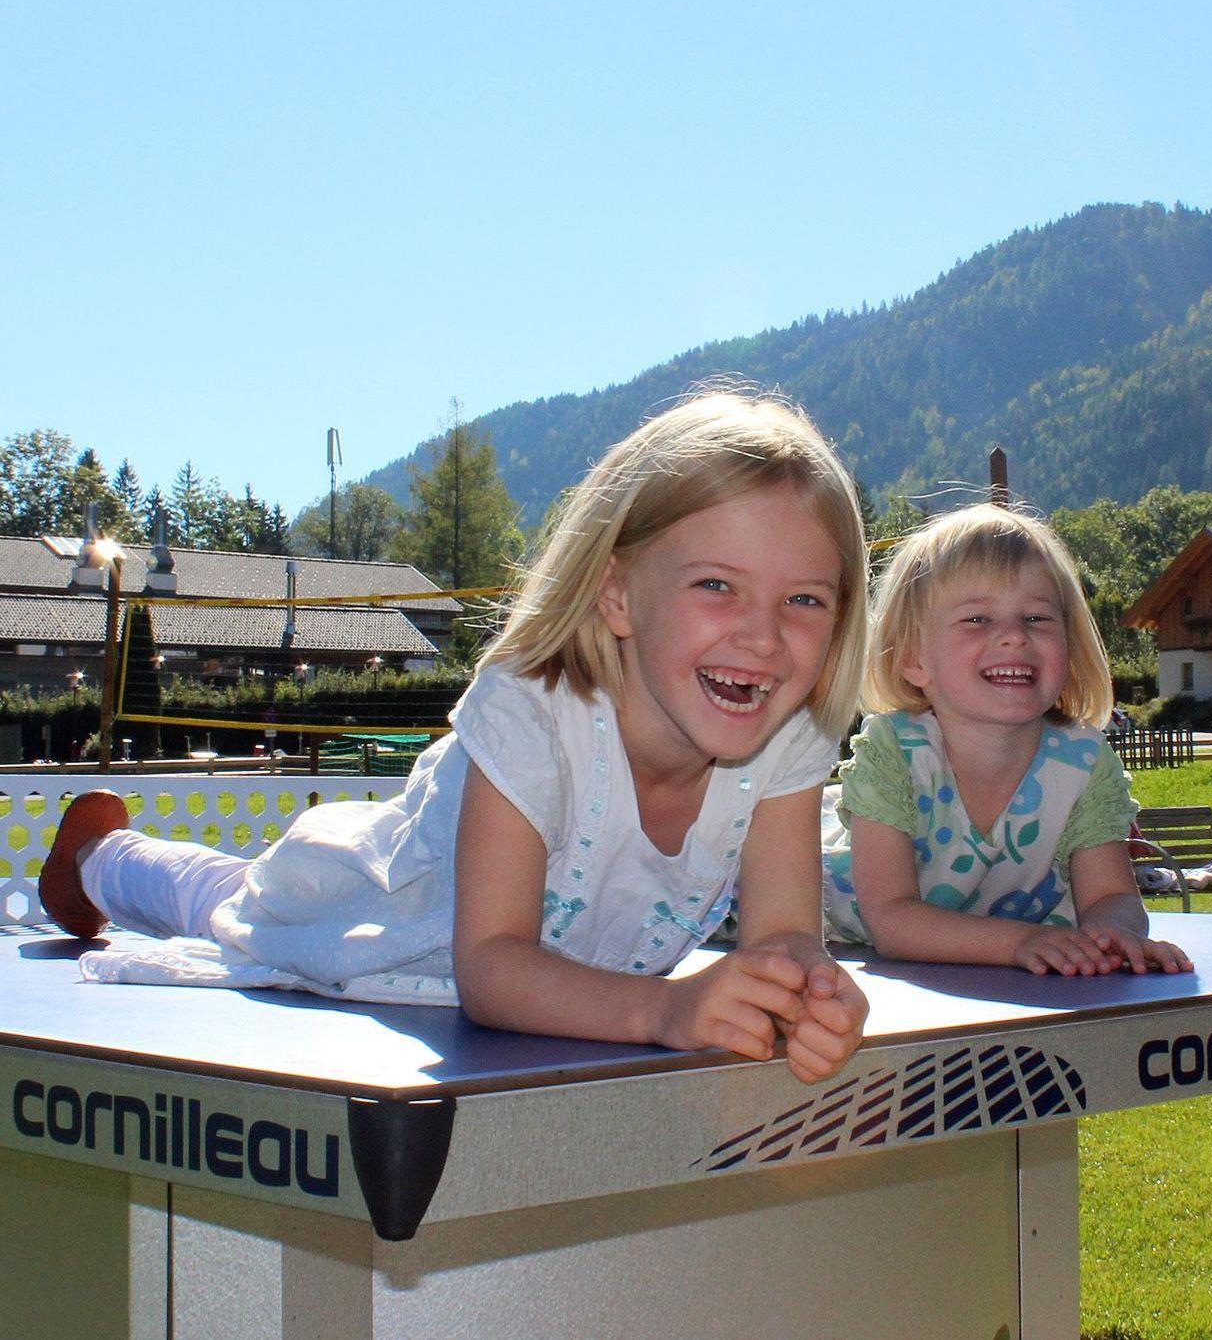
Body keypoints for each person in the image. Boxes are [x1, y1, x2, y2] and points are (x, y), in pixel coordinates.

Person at [38, 391, 871, 1083]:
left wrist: (808, 990)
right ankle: (98, 858)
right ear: (617, 595)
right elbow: (493, 968)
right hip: (388, 909)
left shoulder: (787, 734)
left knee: (236, 899)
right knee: (236, 910)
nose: (764, 637)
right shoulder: (534, 712)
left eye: (804, 600)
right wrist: (664, 1011)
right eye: (717, 585)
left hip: (561, 979)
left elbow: (783, 933)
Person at [822, 504, 1190, 977]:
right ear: (913, 658)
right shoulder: (894, 751)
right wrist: (1021, 943)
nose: (1014, 636)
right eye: (977, 619)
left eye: (1037, 618)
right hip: (840, 937)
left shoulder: (1082, 763)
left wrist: (1111, 935)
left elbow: (1111, 895)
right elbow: (892, 920)